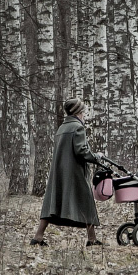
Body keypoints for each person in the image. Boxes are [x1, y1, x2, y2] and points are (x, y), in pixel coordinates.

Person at [31, 98, 102, 247]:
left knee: (53, 203)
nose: (83, 114)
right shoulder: (77, 127)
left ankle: (38, 237)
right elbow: (82, 151)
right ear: (77, 112)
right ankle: (92, 239)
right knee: (86, 201)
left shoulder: (61, 128)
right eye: (82, 111)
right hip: (75, 172)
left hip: (59, 172)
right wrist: (97, 157)